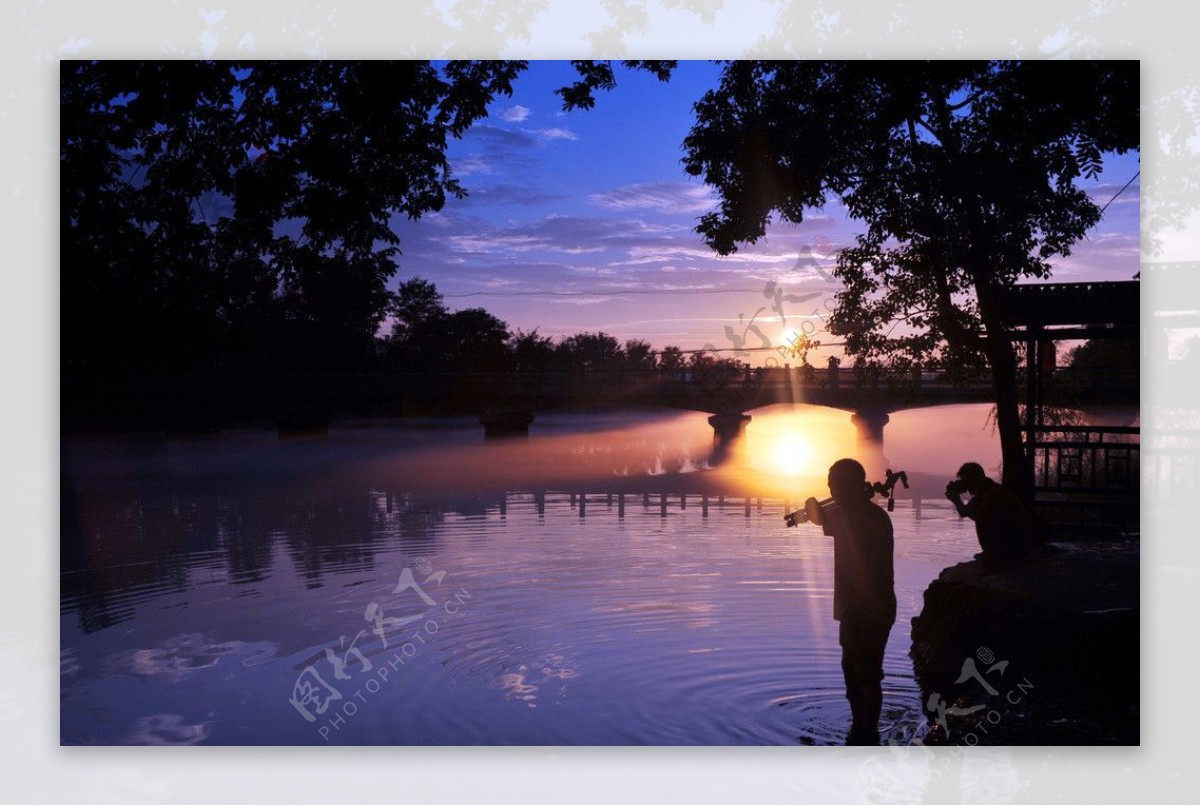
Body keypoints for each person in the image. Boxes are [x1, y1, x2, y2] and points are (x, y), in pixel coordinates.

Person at [808, 457, 896, 745]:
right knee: (850, 666)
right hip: (851, 606)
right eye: (831, 485)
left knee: (867, 671)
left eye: (839, 485)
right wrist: (813, 510)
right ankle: (859, 724)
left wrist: (814, 510)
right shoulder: (846, 514)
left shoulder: (871, 518)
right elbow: (822, 518)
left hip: (874, 605)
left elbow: (825, 519)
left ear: (856, 486)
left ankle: (868, 731)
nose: (833, 491)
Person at [944, 462, 1033, 568]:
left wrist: (957, 499)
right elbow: (966, 512)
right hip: (1016, 542)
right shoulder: (987, 491)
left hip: (1015, 544)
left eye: (967, 481)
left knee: (982, 523)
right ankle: (993, 553)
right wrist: (956, 499)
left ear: (976, 478)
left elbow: (981, 519)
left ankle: (994, 555)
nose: (966, 486)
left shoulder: (992, 494)